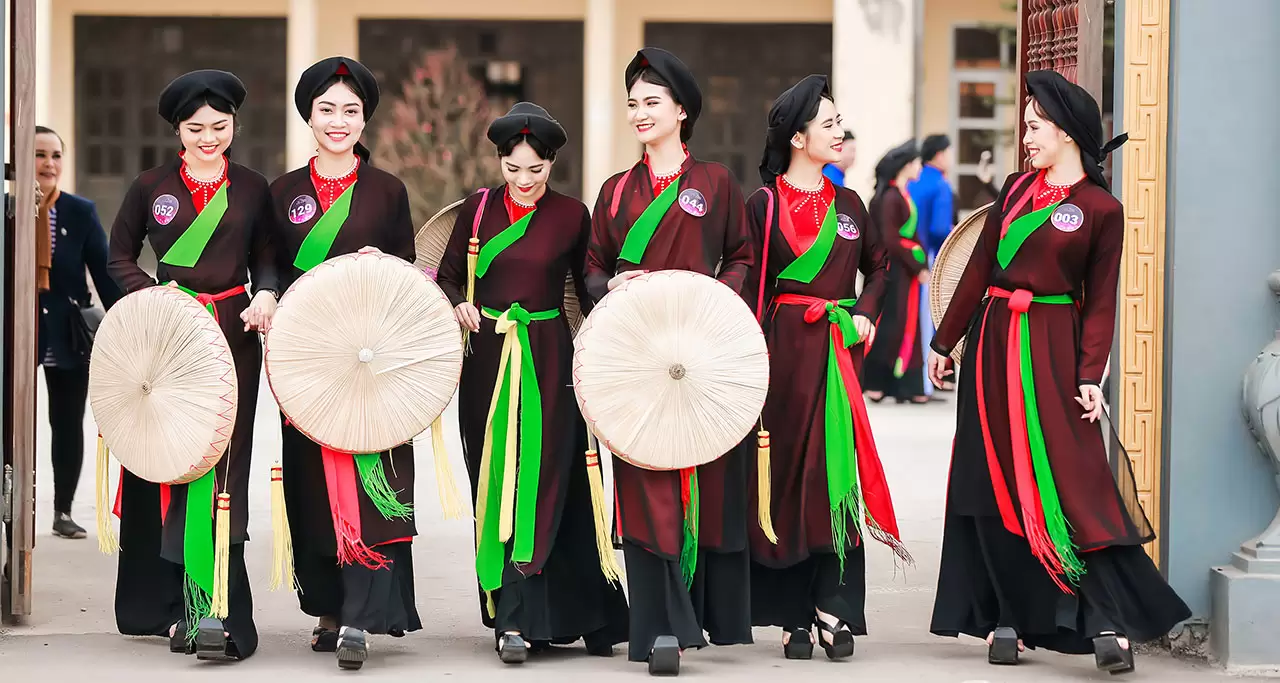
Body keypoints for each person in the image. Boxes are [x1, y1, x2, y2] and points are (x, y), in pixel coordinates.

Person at [926, 70, 1190, 674]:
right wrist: (946, 341)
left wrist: (1090, 376)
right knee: (991, 480)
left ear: (1068, 133)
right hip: (993, 344)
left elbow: (1100, 302)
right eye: (1026, 126)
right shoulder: (1016, 190)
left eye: (1035, 126)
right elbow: (978, 274)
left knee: (1074, 485)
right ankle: (1006, 618)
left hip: (1052, 351)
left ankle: (1106, 620)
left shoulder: (1102, 209)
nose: (1026, 138)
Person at [437, 102, 630, 664]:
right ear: (499, 162)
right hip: (489, 360)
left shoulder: (572, 215)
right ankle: (510, 616)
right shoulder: (475, 213)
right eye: (512, 168)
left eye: (536, 170)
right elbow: (448, 276)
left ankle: (576, 612)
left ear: (552, 165)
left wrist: (621, 297)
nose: (523, 181)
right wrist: (459, 306)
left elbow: (588, 281)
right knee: (497, 477)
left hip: (549, 355)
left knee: (554, 477)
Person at [585, 47, 754, 676]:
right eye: (632, 104)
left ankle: (696, 615)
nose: (640, 113)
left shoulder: (714, 183)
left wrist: (717, 298)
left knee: (701, 483)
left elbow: (740, 254)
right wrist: (613, 288)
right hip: (636, 356)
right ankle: (658, 628)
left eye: (652, 102)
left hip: (701, 353)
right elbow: (593, 268)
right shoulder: (615, 190)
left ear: (682, 111)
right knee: (644, 480)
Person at [107, 69, 277, 661]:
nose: (209, 137)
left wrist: (265, 295)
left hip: (231, 337)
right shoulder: (149, 186)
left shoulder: (254, 187)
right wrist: (157, 295)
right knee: (173, 463)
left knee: (224, 467)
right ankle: (176, 607)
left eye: (220, 127)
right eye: (197, 128)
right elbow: (118, 257)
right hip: (170, 337)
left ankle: (222, 610)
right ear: (178, 129)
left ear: (234, 125)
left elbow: (269, 260)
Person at [745, 75, 909, 662]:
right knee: (785, 479)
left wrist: (865, 312)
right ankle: (791, 615)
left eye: (839, 123)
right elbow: (748, 287)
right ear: (797, 138)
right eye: (830, 124)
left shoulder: (850, 205)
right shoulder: (761, 206)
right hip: (780, 358)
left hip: (836, 360)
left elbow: (882, 267)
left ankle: (834, 607)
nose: (840, 132)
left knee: (835, 477)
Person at [270, 56, 420, 671]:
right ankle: (328, 608)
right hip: (306, 361)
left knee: (374, 477)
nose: (339, 121)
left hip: (371, 362)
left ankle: (363, 613)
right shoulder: (281, 192)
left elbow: (409, 271)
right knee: (310, 482)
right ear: (309, 115)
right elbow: (270, 269)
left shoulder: (387, 190)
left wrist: (377, 267)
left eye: (351, 111)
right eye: (327, 109)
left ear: (365, 120)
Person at [33, 125, 121, 539]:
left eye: (55, 155)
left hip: (68, 334)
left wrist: (131, 317)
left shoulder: (78, 211)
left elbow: (104, 275)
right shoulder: (8, 207)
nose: (48, 164)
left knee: (66, 422)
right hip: (16, 331)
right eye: (39, 154)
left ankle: (62, 510)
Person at [862, 141, 928, 404]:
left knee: (907, 323)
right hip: (894, 271)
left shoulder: (903, 194)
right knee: (892, 323)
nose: (920, 167)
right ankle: (876, 382)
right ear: (906, 166)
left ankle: (904, 386)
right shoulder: (890, 197)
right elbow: (890, 239)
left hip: (904, 271)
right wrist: (917, 263)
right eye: (917, 162)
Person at [910, 134, 956, 394]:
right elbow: (940, 229)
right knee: (931, 319)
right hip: (932, 257)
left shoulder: (914, 180)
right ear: (938, 155)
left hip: (912, 257)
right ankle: (927, 384)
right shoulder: (940, 185)